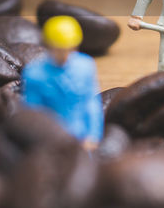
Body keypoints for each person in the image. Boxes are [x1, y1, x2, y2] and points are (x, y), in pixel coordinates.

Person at [21, 15, 103, 149]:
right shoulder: (34, 74)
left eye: (70, 49)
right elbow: (32, 112)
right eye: (59, 49)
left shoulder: (86, 66)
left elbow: (92, 104)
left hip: (81, 137)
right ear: (48, 45)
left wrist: (93, 135)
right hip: (49, 139)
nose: (65, 55)